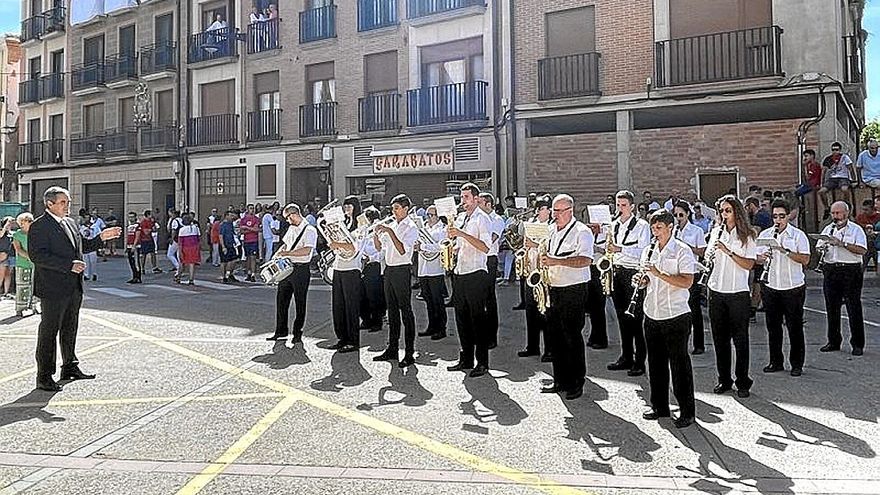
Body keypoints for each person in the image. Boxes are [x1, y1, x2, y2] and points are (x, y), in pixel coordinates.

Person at [28, 186, 121, 391]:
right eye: (63, 202)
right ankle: (44, 376)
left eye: (68, 202)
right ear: (49, 204)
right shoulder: (39, 226)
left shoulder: (70, 223)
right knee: (49, 331)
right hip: (52, 288)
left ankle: (69, 366)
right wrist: (68, 265)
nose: (67, 206)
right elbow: (37, 256)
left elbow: (82, 247)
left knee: (70, 328)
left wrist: (101, 238)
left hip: (73, 286)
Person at [637, 209, 697, 428]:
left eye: (659, 228)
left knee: (679, 364)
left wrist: (658, 272)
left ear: (670, 228)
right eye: (653, 229)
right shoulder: (648, 251)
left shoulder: (682, 251)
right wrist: (642, 280)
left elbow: (687, 281)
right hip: (652, 312)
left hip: (676, 314)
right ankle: (659, 406)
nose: (655, 233)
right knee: (655, 363)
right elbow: (648, 280)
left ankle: (687, 411)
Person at [539, 194, 594, 401]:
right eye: (554, 210)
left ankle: (576, 382)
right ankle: (559, 380)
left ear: (570, 211)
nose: (555, 214)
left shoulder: (582, 231)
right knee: (555, 336)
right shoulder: (551, 230)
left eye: (559, 211)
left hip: (574, 289)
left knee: (572, 336)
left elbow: (585, 259)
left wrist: (556, 261)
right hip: (553, 287)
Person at [707, 195, 757, 398]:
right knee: (720, 340)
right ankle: (724, 379)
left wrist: (728, 251)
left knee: (740, 340)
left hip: (737, 292)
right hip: (716, 289)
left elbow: (749, 264)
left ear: (737, 212)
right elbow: (709, 258)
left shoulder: (748, 235)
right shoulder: (716, 232)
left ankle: (743, 381)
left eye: (728, 210)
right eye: (722, 211)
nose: (724, 215)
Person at [756, 199, 811, 377]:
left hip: (792, 286)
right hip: (771, 286)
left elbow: (805, 259)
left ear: (788, 216)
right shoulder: (766, 234)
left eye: (781, 216)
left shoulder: (797, 235)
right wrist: (761, 257)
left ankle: (796, 364)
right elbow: (755, 258)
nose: (778, 220)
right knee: (773, 327)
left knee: (794, 327)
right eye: (775, 216)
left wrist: (784, 250)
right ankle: (776, 361)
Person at [446, 184, 494, 377]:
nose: (463, 201)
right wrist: (451, 247)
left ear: (476, 198)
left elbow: (485, 247)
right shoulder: (461, 218)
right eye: (462, 197)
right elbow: (460, 245)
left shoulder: (483, 219)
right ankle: (466, 358)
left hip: (476, 274)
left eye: (466, 197)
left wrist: (461, 234)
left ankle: (482, 362)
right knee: (462, 319)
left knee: (478, 320)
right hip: (460, 273)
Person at [606, 190, 652, 377]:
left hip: (633, 273)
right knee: (621, 317)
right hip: (616, 271)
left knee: (636, 318)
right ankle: (626, 356)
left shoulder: (642, 226)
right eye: (618, 205)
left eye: (624, 205)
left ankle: (640, 361)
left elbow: (643, 250)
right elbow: (609, 248)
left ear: (632, 206)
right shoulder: (614, 225)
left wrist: (620, 248)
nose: (620, 208)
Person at [372, 194, 419, 368]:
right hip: (389, 270)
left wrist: (389, 231)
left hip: (402, 269)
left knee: (405, 310)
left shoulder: (411, 227)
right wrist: (376, 234)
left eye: (397, 208)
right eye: (392, 209)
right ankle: (392, 348)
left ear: (406, 209)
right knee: (391, 311)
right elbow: (379, 248)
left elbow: (402, 250)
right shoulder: (392, 224)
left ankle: (409, 352)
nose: (394, 212)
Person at [817, 201, 867, 356]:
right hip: (831, 269)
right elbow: (819, 245)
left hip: (850, 270)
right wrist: (821, 248)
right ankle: (833, 341)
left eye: (838, 213)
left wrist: (842, 244)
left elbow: (862, 250)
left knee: (853, 307)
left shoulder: (856, 229)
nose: (835, 216)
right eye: (833, 213)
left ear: (846, 213)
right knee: (832, 307)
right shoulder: (828, 228)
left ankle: (857, 344)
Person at [267, 204, 317, 343]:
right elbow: (285, 245)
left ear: (294, 215)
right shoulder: (291, 228)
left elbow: (307, 250)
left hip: (301, 269)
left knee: (300, 302)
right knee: (281, 300)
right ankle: (280, 331)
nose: (287, 221)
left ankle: (297, 333)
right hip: (287, 267)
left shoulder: (310, 230)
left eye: (288, 218)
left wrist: (288, 253)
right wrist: (276, 255)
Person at [326, 196, 365, 354]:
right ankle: (341, 338)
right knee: (338, 306)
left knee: (351, 307)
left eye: (349, 206)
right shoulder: (344, 223)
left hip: (352, 268)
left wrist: (337, 244)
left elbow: (354, 247)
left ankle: (353, 341)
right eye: (345, 206)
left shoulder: (361, 225)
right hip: (339, 266)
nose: (346, 209)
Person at [518, 197, 555, 358]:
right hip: (531, 271)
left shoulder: (553, 226)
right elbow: (526, 245)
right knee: (531, 312)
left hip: (545, 275)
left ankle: (549, 349)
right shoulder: (532, 224)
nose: (543, 211)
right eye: (540, 208)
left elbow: (550, 247)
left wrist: (535, 245)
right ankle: (532, 346)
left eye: (545, 208)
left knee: (546, 313)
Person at [673, 201, 707, 354]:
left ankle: (699, 344)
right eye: (676, 215)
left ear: (687, 214)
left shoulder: (696, 231)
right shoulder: (672, 230)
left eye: (681, 214)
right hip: (675, 272)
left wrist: (684, 245)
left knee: (694, 308)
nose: (678, 218)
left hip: (692, 271)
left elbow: (701, 252)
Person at [415, 205, 448, 341]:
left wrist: (422, 246)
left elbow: (441, 247)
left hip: (435, 270)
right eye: (427, 215)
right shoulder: (424, 229)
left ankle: (441, 328)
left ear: (438, 216)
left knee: (437, 301)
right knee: (428, 300)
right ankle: (431, 326)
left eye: (431, 215)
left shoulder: (442, 229)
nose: (428, 218)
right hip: (423, 269)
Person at [478, 192, 505, 349]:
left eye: (480, 202)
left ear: (488, 204)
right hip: (478, 259)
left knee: (489, 298)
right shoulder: (478, 218)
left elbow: (491, 239)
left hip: (489, 259)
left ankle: (491, 336)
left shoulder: (496, 219)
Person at [360, 206, 386, 333]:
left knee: (373, 295)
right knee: (363, 295)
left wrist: (369, 257)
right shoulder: (364, 229)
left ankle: (376, 322)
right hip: (364, 264)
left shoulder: (378, 229)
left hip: (373, 265)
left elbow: (381, 251)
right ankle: (366, 320)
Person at [818, 142, 855, 219]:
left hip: (843, 177)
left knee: (844, 189)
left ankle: (847, 204)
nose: (835, 151)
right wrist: (822, 183)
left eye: (837, 150)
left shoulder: (845, 157)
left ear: (840, 150)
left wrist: (853, 179)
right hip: (832, 179)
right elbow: (823, 171)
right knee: (821, 191)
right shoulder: (828, 159)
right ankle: (826, 208)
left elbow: (851, 168)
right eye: (833, 150)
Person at [12, 212, 37, 316]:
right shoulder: (17, 234)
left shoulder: (36, 233)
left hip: (35, 263)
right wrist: (30, 257)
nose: (24, 224)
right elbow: (18, 249)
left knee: (34, 286)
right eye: (22, 222)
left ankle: (34, 306)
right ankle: (20, 308)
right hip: (22, 263)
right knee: (22, 286)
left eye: (27, 221)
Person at [177, 213, 201, 285]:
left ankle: (178, 276)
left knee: (182, 263)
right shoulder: (196, 228)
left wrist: (180, 252)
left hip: (185, 248)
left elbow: (180, 242)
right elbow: (199, 238)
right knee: (192, 263)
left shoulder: (182, 230)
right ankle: (191, 279)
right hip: (194, 247)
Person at [138, 210, 161, 274]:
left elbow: (155, 229)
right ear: (148, 215)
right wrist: (151, 229)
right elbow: (145, 232)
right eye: (151, 214)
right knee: (144, 254)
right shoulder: (143, 222)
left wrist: (153, 228)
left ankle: (154, 267)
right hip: (144, 240)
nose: (152, 215)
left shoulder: (151, 221)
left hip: (150, 239)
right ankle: (142, 268)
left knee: (153, 253)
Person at [219, 211, 239, 283]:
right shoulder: (223, 225)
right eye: (230, 216)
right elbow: (221, 236)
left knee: (233, 260)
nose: (232, 217)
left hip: (231, 244)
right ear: (226, 216)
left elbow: (233, 232)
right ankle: (224, 277)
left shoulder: (230, 224)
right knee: (224, 261)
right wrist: (223, 246)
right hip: (225, 244)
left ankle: (229, 274)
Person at [79, 217, 100, 281]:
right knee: (86, 262)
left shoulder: (95, 226)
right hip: (85, 246)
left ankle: (94, 274)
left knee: (93, 261)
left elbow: (98, 234)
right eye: (86, 218)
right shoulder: (82, 227)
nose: (87, 219)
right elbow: (81, 236)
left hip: (93, 245)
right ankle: (86, 275)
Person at [125, 212, 142, 284]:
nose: (131, 218)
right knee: (131, 262)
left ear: (135, 217)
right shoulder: (129, 226)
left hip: (135, 246)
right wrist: (126, 246)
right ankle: (134, 276)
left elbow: (137, 236)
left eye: (132, 217)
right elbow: (128, 236)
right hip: (129, 246)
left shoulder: (137, 226)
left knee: (136, 262)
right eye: (129, 217)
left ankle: (138, 277)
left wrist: (134, 246)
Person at [0, 217, 15, 298]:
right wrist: (5, 226)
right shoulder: (1, 231)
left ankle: (6, 292)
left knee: (8, 274)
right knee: (1, 274)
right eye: (9, 222)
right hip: (2, 255)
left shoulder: (12, 233)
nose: (10, 224)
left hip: (11, 255)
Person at [166, 210, 182, 279]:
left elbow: (174, 231)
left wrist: (172, 239)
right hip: (181, 239)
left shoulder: (175, 221)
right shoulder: (181, 220)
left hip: (176, 239)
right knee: (178, 255)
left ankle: (178, 267)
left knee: (170, 254)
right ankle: (179, 270)